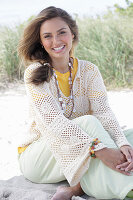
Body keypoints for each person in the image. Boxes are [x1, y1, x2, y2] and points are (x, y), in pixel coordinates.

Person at [17, 6, 133, 200]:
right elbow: (56, 123)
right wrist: (100, 149)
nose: (56, 41)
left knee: (128, 135)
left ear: (72, 33)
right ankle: (127, 189)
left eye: (61, 32)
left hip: (79, 146)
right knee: (89, 124)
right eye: (47, 36)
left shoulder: (89, 70)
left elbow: (103, 111)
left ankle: (75, 189)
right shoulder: (34, 73)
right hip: (39, 156)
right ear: (41, 41)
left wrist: (121, 144)